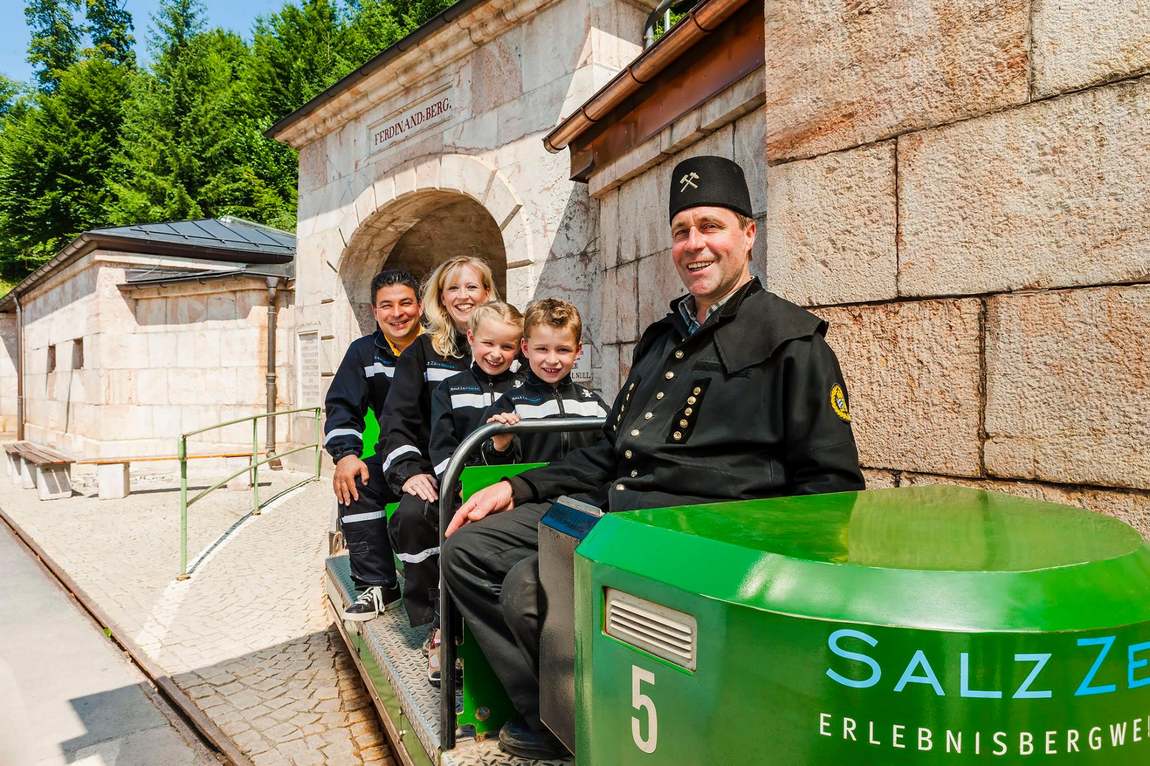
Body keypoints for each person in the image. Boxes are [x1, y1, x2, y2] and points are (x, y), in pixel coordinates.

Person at [441, 156, 865, 759]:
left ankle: (598, 717)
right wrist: (520, 487)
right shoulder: (661, 339)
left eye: (711, 226)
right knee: (468, 551)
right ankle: (561, 712)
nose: (695, 244)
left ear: (748, 234)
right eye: (681, 230)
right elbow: (611, 453)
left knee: (525, 589)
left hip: (699, 545)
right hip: (615, 516)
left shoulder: (793, 343)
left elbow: (832, 490)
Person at [380, 256, 498, 633]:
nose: (463, 296)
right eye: (453, 288)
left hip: (496, 469)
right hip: (437, 469)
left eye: (471, 287)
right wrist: (410, 472)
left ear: (487, 293)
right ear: (441, 299)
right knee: (414, 517)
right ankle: (437, 623)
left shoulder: (508, 346)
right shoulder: (422, 352)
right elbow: (397, 419)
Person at [423, 301, 524, 684]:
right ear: (471, 338)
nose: (496, 354)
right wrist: (459, 484)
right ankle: (441, 634)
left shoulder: (524, 389)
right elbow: (441, 446)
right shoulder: (450, 389)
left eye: (507, 346)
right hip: (463, 491)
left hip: (511, 494)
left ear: (520, 348)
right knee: (454, 548)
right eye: (488, 343)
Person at [324, 269, 422, 621]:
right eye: (387, 305)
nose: (397, 313)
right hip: (395, 455)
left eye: (405, 303)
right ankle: (378, 584)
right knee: (357, 483)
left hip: (443, 455)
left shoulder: (442, 346)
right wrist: (346, 456)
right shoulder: (364, 353)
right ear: (374, 311)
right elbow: (342, 406)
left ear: (420, 305)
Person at [482, 298, 608, 462]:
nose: (552, 360)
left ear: (577, 351)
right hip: (528, 486)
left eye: (563, 350)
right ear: (526, 348)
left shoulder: (594, 404)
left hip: (585, 486)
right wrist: (500, 446)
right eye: (542, 349)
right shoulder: (509, 405)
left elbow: (610, 454)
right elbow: (485, 466)